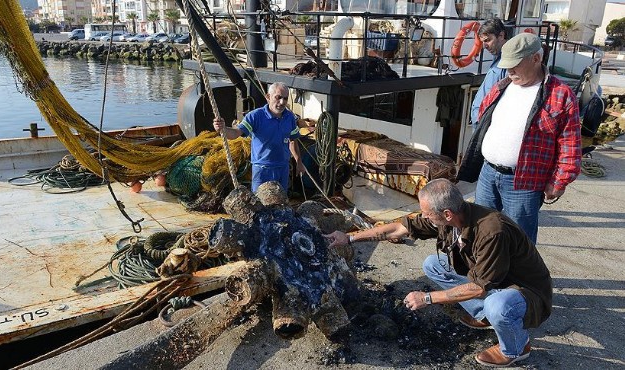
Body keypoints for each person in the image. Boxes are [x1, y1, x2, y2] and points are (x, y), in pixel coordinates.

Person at [326, 178, 552, 367]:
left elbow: (479, 286)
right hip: (493, 280)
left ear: (446, 213)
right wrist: (351, 237)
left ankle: (516, 347)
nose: (423, 217)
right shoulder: (452, 217)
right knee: (432, 264)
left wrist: (427, 298)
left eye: (426, 213)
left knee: (498, 306)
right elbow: (400, 228)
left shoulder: (492, 231)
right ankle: (485, 317)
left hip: (525, 291)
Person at [457, 32, 581, 244]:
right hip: (487, 173)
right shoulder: (504, 84)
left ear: (536, 58)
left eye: (515, 64)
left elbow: (570, 145)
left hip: (523, 182)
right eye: (507, 64)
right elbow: (484, 117)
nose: (509, 69)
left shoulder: (561, 94)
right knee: (481, 232)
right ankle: (482, 273)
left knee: (519, 240)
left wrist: (559, 182)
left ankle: (521, 278)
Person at [213, 82, 305, 192]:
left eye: (285, 99)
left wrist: (299, 162)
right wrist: (223, 129)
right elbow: (236, 133)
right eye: (278, 97)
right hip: (262, 171)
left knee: (281, 204)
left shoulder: (289, 117)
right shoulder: (255, 116)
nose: (282, 102)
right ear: (268, 97)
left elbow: (293, 140)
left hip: (283, 169)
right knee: (260, 203)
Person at [470, 18, 509, 130]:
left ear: (501, 36)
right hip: (481, 121)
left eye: (487, 40)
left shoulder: (508, 63)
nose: (484, 46)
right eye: (483, 41)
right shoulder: (498, 58)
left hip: (487, 125)